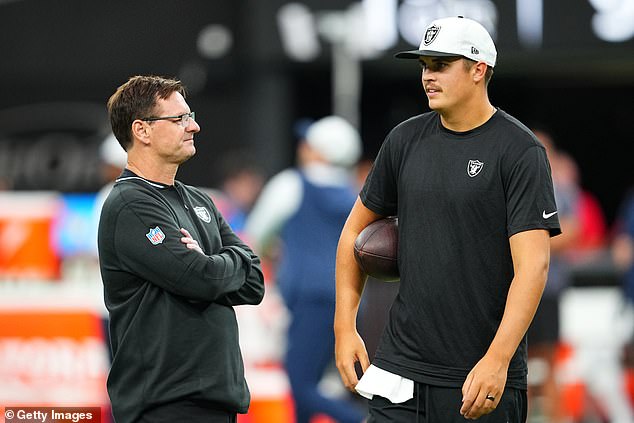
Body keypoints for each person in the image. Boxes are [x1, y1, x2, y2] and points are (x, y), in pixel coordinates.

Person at [334, 16, 561, 422]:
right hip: (400, 368)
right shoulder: (403, 140)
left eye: (441, 65)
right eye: (424, 65)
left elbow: (534, 267)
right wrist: (344, 328)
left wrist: (498, 359)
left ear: (479, 70)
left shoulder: (520, 150)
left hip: (479, 376)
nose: (428, 76)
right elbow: (354, 231)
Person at [98, 75, 265, 423]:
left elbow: (255, 281)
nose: (195, 127)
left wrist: (213, 262)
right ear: (142, 131)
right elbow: (199, 277)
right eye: (179, 119)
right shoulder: (131, 204)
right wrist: (220, 264)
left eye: (189, 116)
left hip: (216, 399)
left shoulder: (199, 200)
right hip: (167, 403)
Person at [245, 116, 366, 423]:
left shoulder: (292, 184)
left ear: (320, 151)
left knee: (300, 385)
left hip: (308, 299)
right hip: (350, 301)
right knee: (322, 383)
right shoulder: (356, 195)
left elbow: (256, 236)